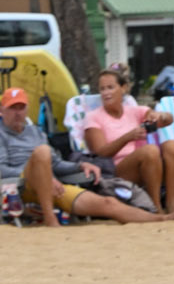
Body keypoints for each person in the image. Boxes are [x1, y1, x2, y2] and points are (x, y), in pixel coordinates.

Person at [0, 87, 165, 226]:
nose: (17, 113)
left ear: (27, 109)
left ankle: (160, 218)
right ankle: (50, 219)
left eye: (21, 107)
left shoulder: (36, 132)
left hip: (52, 185)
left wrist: (80, 166)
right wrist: (42, 176)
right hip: (21, 186)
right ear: (2, 110)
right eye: (12, 108)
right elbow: (2, 169)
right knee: (42, 151)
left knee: (108, 203)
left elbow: (56, 163)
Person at [82, 68, 174, 216]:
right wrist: (128, 137)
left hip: (148, 164)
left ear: (123, 88)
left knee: (173, 146)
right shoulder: (93, 117)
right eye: (102, 89)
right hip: (115, 170)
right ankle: (155, 207)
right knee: (150, 151)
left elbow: (168, 120)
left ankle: (172, 205)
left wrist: (160, 115)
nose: (106, 93)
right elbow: (100, 152)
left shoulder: (134, 111)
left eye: (110, 87)